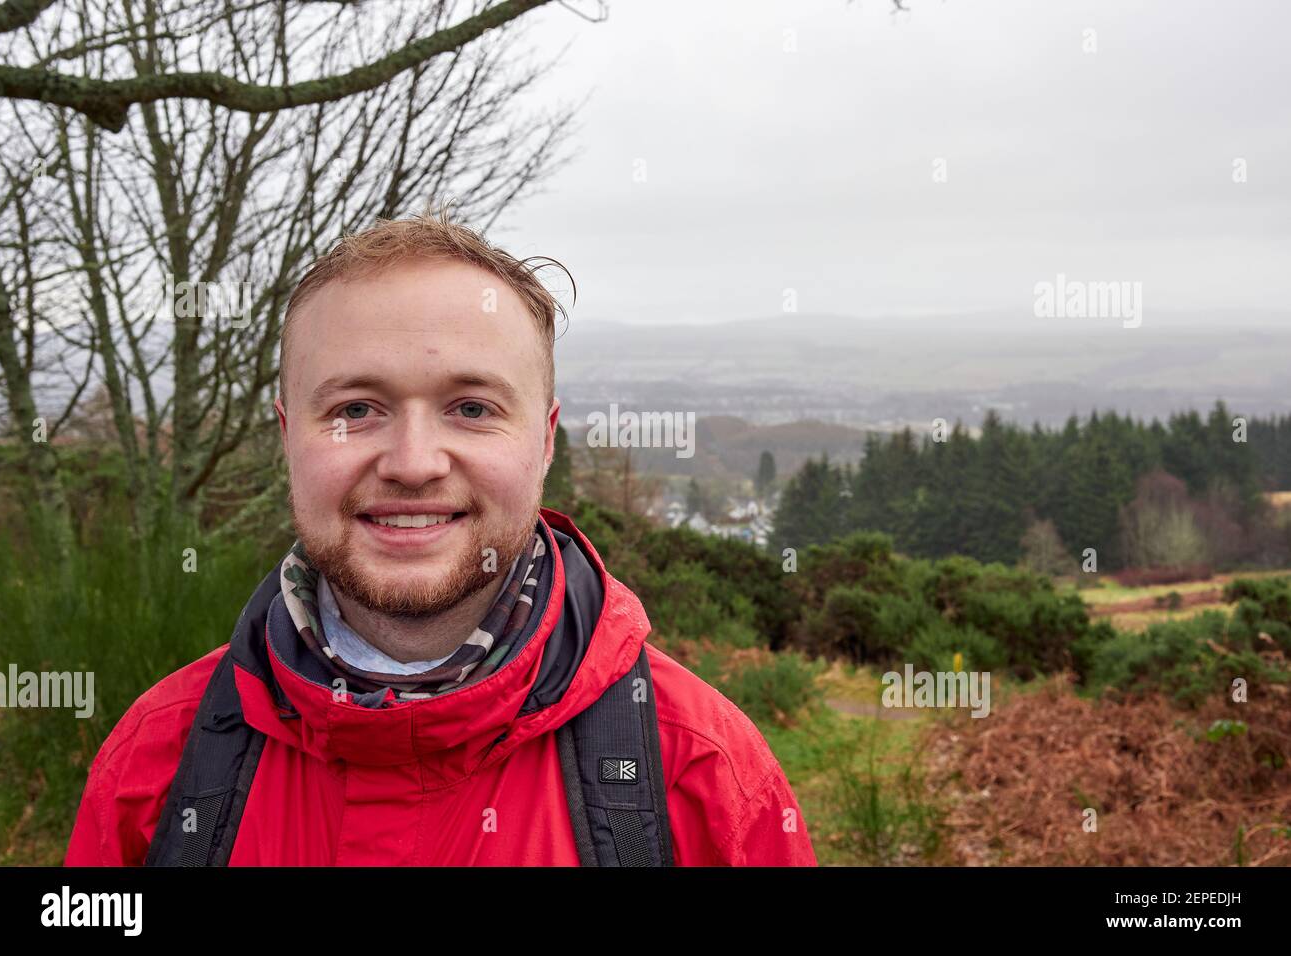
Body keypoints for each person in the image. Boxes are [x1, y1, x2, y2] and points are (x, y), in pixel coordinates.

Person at [64, 208, 818, 866]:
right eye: (356, 410)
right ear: (287, 436)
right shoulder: (157, 761)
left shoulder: (705, 774)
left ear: (547, 440)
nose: (413, 465)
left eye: (472, 408)